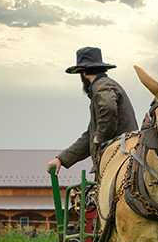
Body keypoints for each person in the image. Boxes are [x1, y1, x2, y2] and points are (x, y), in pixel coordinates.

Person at [47, 47, 138, 177]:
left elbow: (109, 108)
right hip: (119, 162)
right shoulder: (104, 85)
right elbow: (89, 137)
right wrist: (61, 159)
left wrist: (101, 137)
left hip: (120, 163)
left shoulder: (101, 85)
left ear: (83, 73)